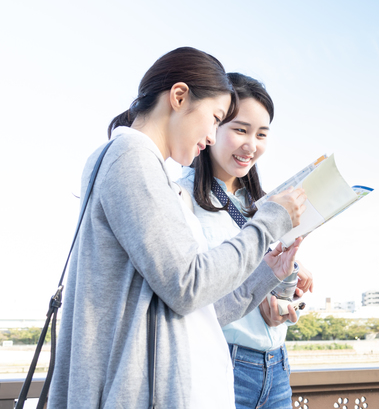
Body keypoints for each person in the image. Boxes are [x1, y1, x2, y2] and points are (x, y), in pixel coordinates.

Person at [48, 47, 306, 409]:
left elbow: (198, 306)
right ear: (179, 97)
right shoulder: (131, 158)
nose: (213, 136)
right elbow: (188, 285)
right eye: (216, 118)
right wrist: (269, 224)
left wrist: (266, 274)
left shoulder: (140, 164)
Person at [178, 72, 312, 409]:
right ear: (213, 127)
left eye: (262, 134)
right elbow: (192, 289)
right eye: (240, 130)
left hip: (277, 365)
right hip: (222, 362)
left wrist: (289, 276)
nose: (252, 145)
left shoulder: (265, 204)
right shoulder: (181, 196)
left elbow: (260, 275)